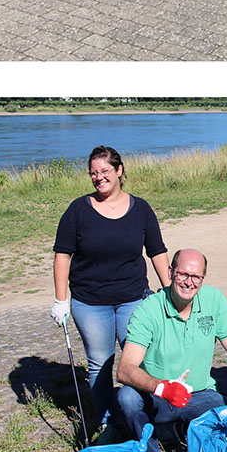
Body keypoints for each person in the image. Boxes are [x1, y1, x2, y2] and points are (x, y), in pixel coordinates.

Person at [51, 146, 172, 429]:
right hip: (90, 302)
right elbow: (62, 255)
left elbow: (157, 251)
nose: (99, 177)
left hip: (134, 299)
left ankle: (144, 416)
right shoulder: (78, 210)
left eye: (105, 171)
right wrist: (60, 300)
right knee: (100, 364)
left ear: (119, 171)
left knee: (139, 361)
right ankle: (107, 422)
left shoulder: (140, 208)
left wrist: (169, 292)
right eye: (93, 173)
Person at [115, 249, 227, 452]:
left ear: (203, 278)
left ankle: (190, 449)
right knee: (127, 398)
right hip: (157, 395)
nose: (189, 282)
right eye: (182, 274)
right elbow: (125, 369)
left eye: (196, 277)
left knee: (224, 417)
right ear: (170, 272)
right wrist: (163, 388)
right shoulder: (148, 310)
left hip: (200, 393)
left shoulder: (214, 300)